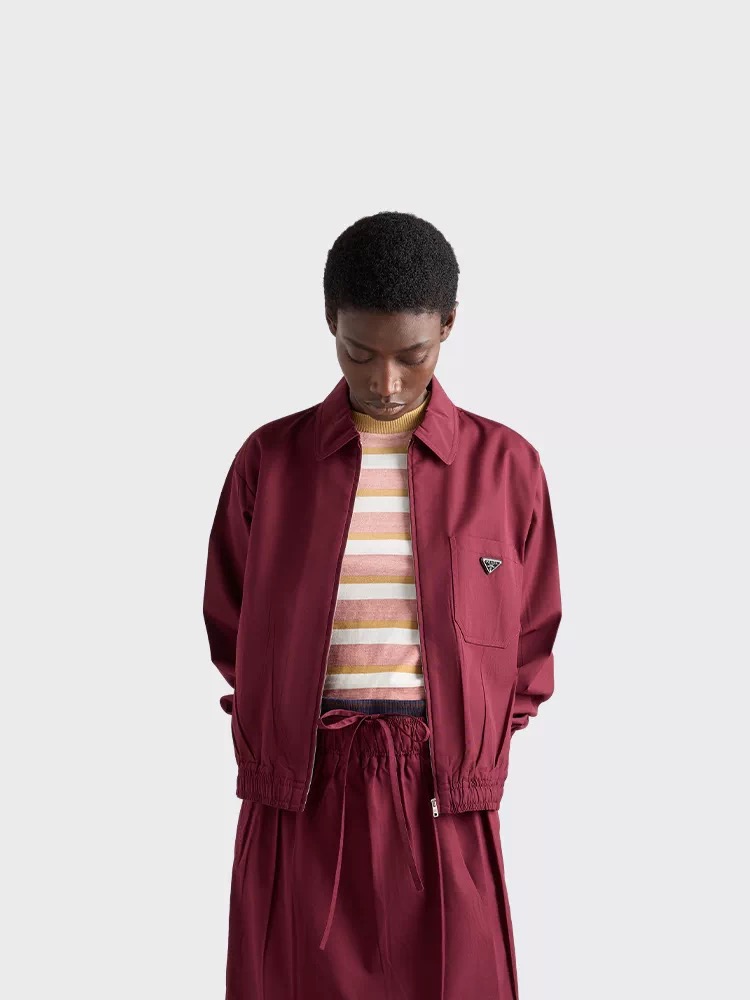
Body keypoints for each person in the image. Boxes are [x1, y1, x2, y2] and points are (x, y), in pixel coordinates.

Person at [203, 210, 562, 999]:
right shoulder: (271, 461)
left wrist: (472, 743)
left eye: (413, 355)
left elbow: (532, 635)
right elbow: (231, 621)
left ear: (448, 326)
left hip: (444, 786)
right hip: (301, 777)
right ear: (331, 321)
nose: (386, 381)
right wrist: (274, 722)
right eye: (360, 353)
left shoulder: (506, 466)